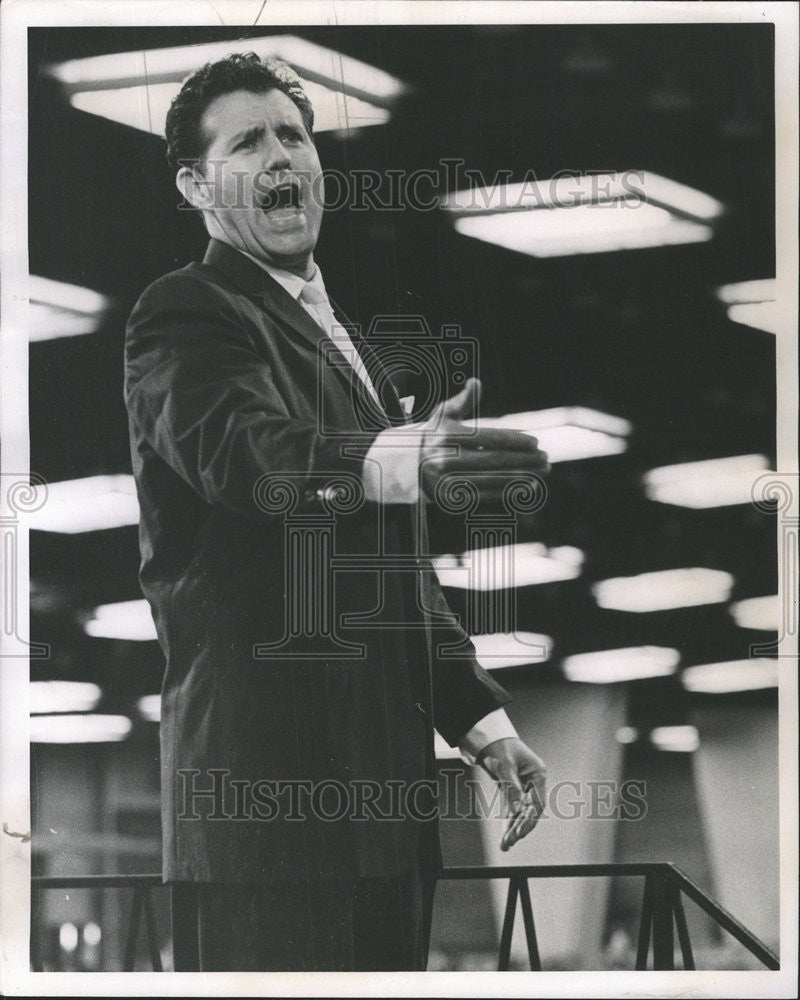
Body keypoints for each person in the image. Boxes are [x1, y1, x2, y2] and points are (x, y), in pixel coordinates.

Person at [124, 52, 549, 972]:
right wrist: (402, 455)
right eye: (249, 142)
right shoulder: (184, 313)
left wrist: (484, 728)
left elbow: (390, 571)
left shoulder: (339, 338)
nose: (282, 156)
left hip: (384, 828)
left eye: (294, 134)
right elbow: (251, 459)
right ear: (197, 184)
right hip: (264, 824)